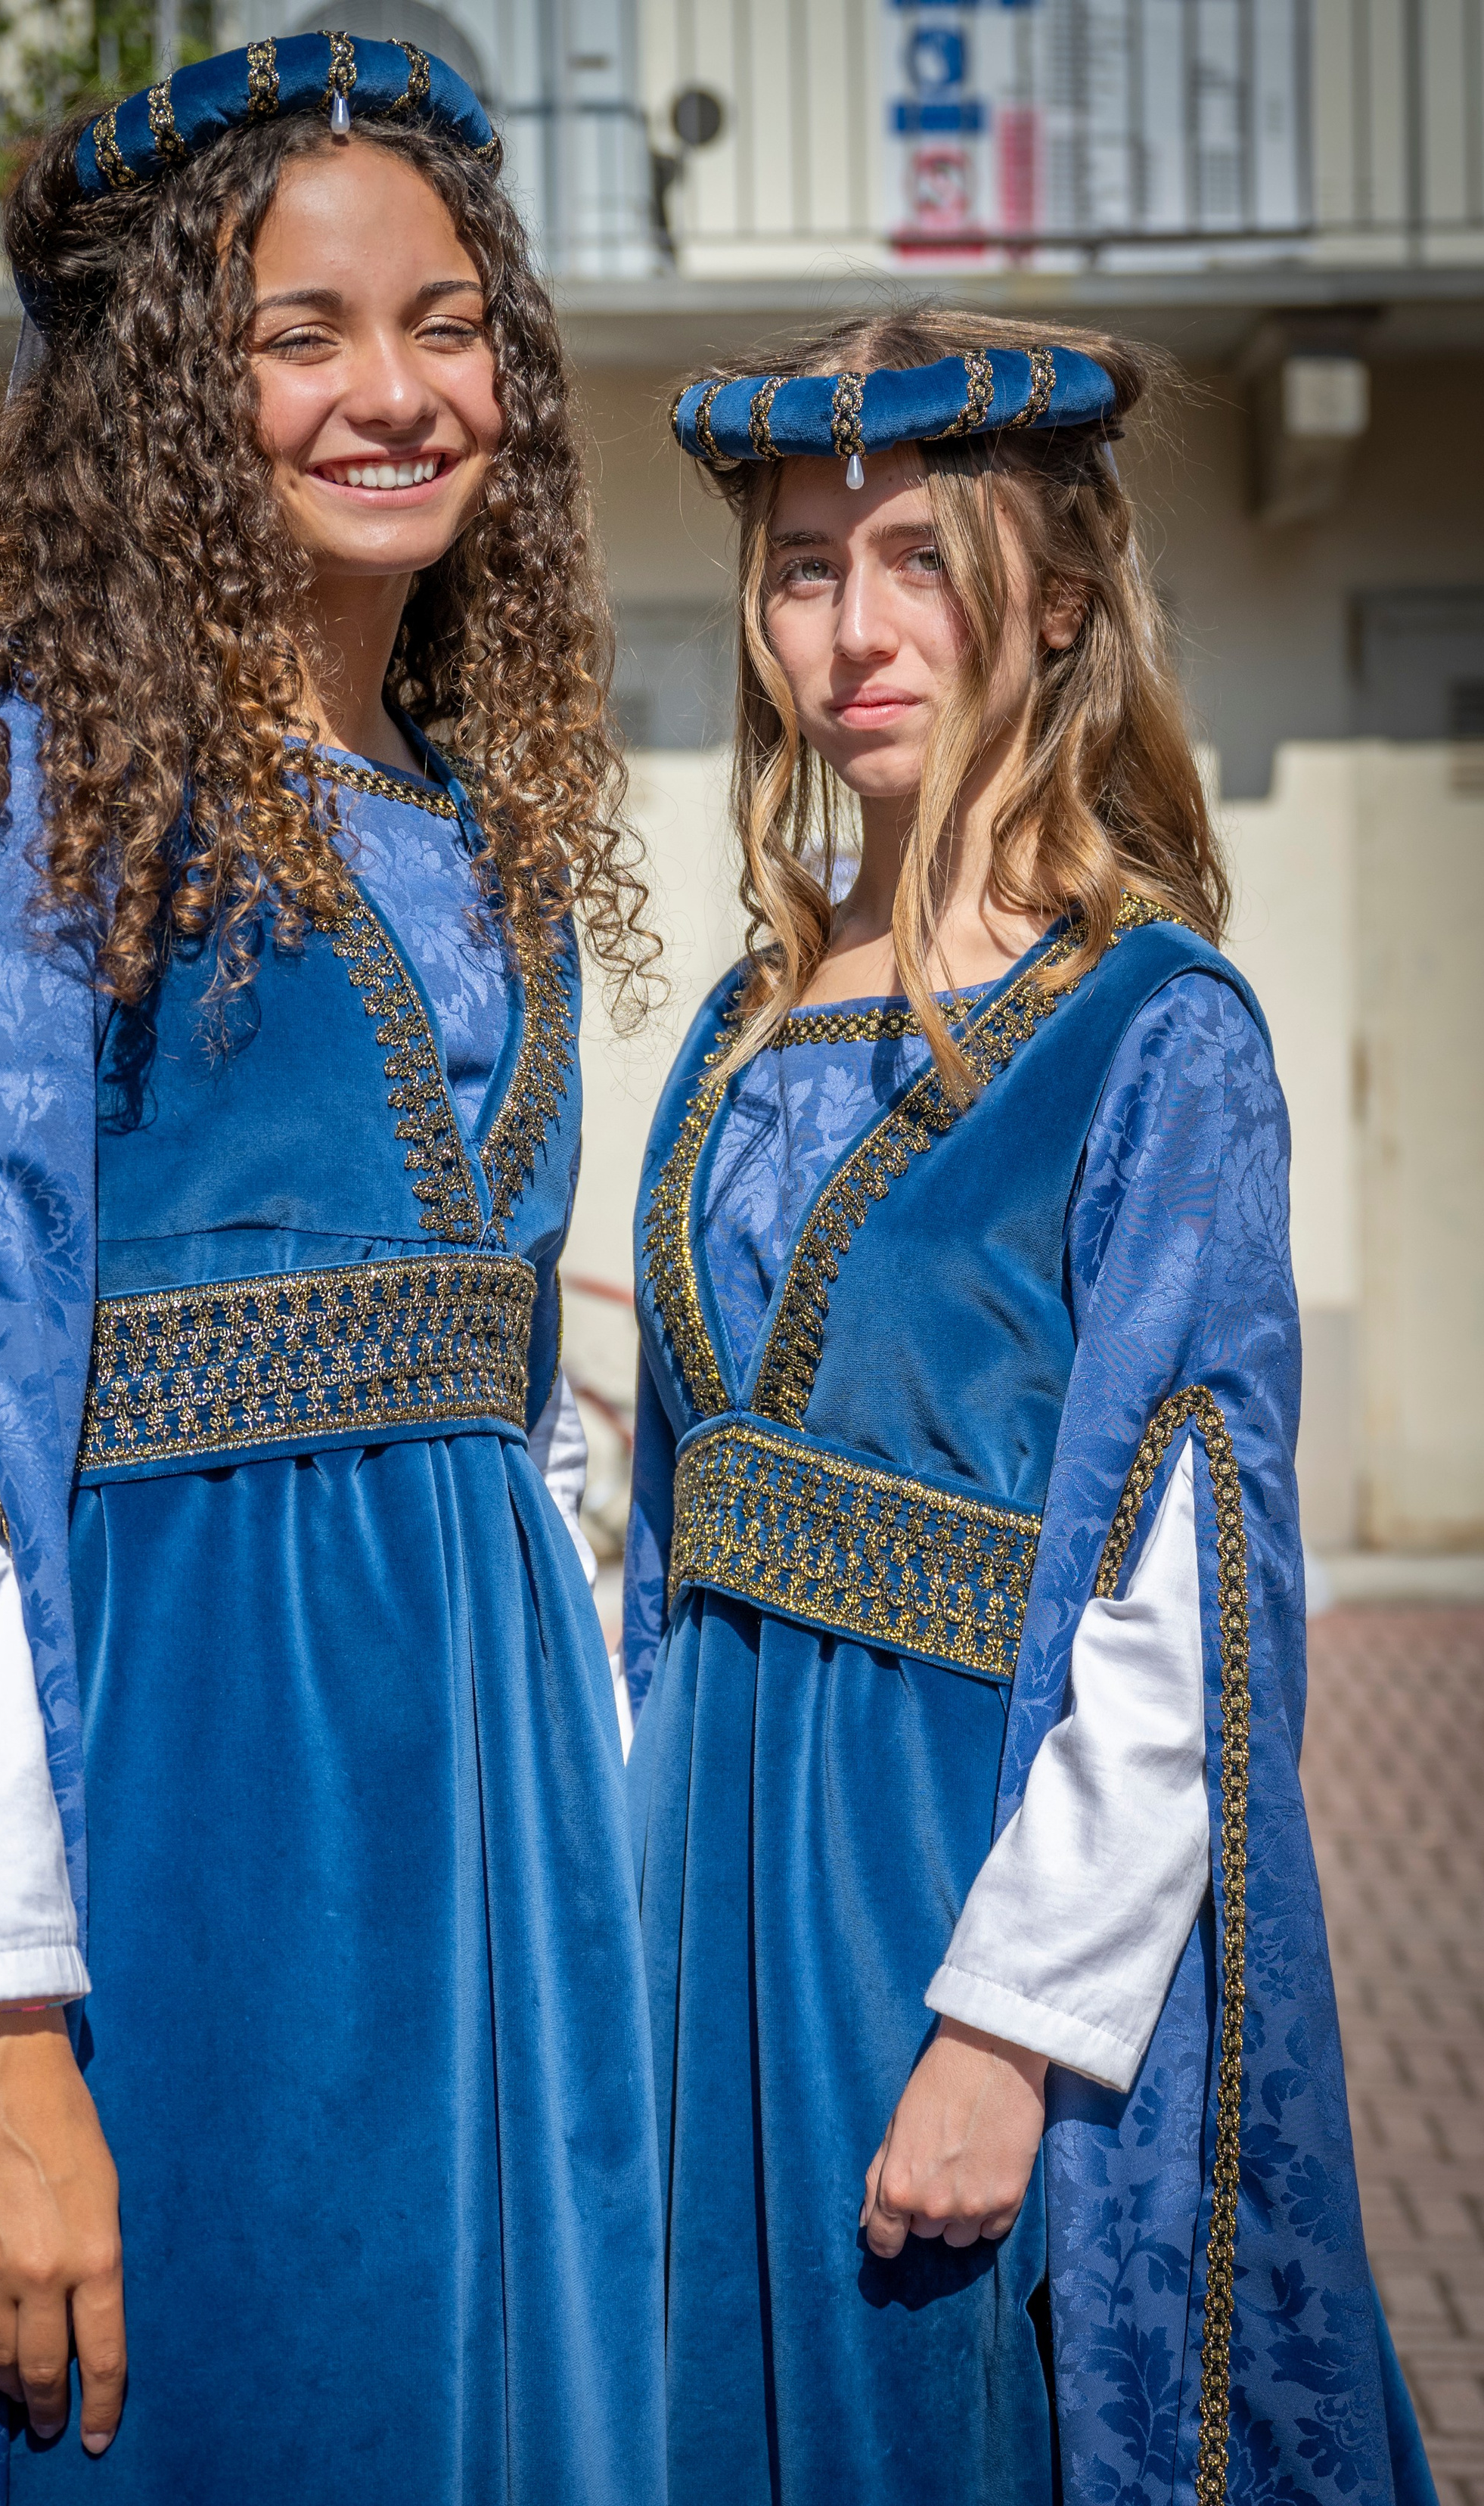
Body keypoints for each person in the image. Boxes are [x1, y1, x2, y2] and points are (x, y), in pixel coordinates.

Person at [0, 37, 665, 2505]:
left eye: (447, 318)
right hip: (178, 1824)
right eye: (303, 333)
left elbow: (504, 1398)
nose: (398, 391)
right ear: (176, 381)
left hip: (470, 1851)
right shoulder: (5, 767)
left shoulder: (488, 820)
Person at [622, 312, 1436, 2506]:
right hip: (700, 1913)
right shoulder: (732, 1022)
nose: (851, 629)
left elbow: (1187, 1595)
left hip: (950, 1888)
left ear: (1053, 597)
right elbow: (657, 1540)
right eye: (804, 567)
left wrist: (1008, 2030)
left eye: (917, 559)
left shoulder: (1156, 1030)